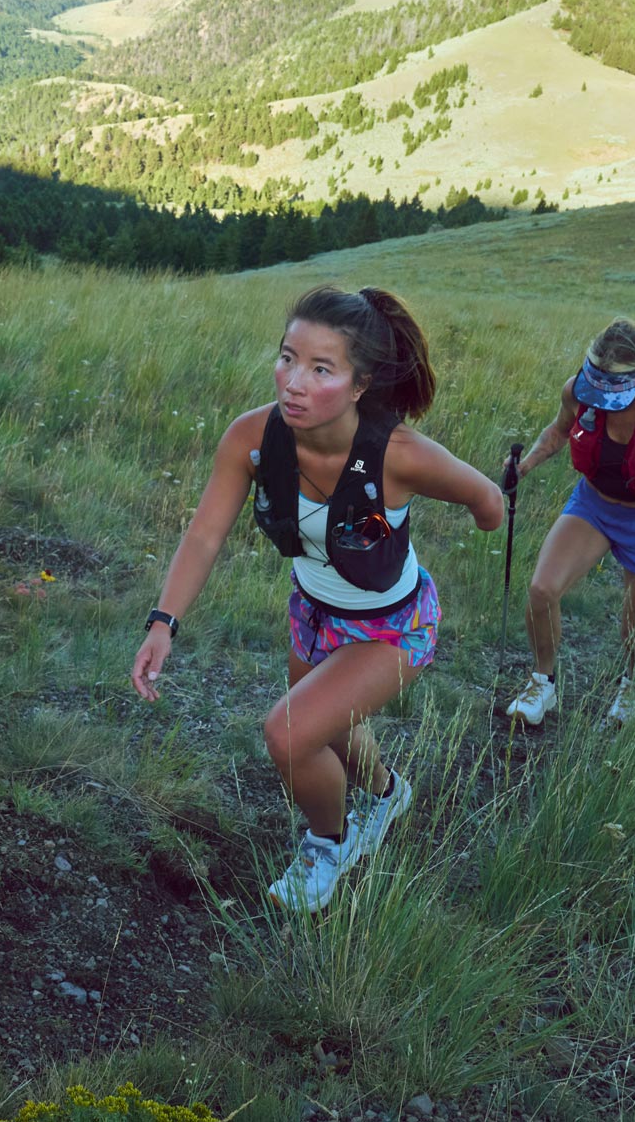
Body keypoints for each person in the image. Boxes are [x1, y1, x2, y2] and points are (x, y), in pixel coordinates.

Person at [130, 286, 503, 914]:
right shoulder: (253, 438)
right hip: (313, 615)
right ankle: (387, 794)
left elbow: (489, 501)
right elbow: (204, 532)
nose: (293, 382)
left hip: (391, 625)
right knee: (329, 732)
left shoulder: (399, 455)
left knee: (290, 733)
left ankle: (331, 844)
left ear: (361, 385)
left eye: (321, 369)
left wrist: (487, 518)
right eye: (287, 358)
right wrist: (163, 622)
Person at [501, 318, 635, 727]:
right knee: (542, 589)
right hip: (594, 506)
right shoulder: (579, 389)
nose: (600, 394)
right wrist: (521, 467)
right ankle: (543, 682)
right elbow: (558, 432)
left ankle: (633, 684)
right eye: (595, 381)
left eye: (613, 386)